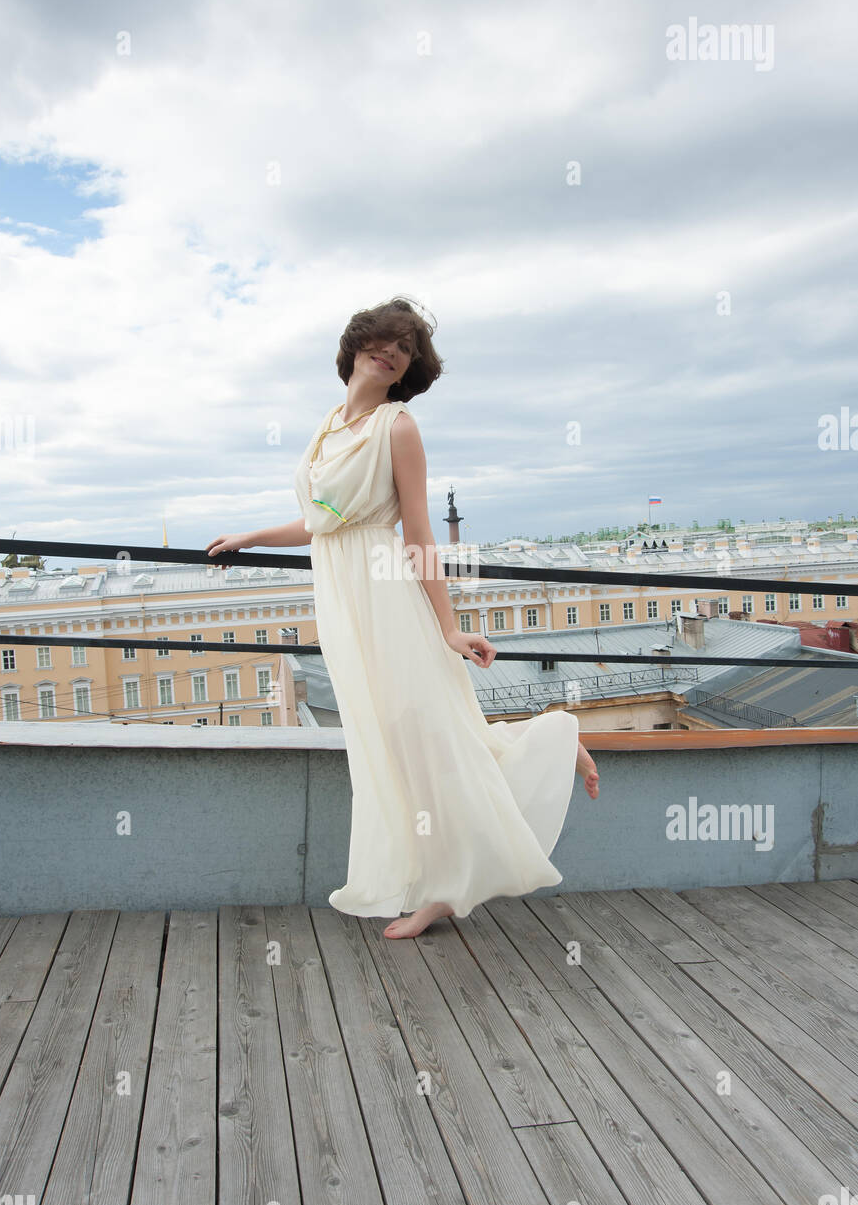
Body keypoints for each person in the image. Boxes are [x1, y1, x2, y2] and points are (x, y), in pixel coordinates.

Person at [207, 296, 599, 939]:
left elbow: (418, 531)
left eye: (406, 349)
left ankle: (453, 878)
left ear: (408, 369)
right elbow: (319, 523)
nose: (392, 351)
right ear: (357, 345)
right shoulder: (329, 424)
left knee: (419, 725)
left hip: (385, 589)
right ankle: (545, 755)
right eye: (384, 339)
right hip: (340, 594)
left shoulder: (399, 426)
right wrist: (247, 538)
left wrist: (447, 627)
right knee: (389, 734)